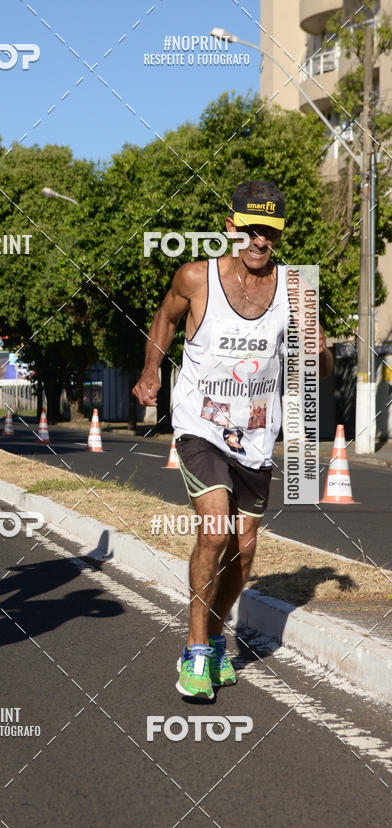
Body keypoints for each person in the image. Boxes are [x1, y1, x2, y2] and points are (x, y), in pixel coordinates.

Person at [133, 180, 334, 700]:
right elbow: (165, 318)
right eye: (250, 229)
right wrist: (152, 370)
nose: (259, 240)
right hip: (200, 426)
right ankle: (195, 653)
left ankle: (217, 639)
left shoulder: (297, 291)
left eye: (269, 231)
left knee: (243, 554)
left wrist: (317, 351)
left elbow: (324, 363)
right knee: (216, 531)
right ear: (230, 227)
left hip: (258, 436)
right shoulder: (196, 277)